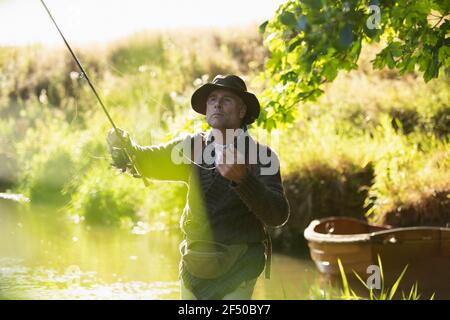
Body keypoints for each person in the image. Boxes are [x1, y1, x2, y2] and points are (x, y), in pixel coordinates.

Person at [107, 74, 290, 300]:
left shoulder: (262, 156)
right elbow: (144, 161)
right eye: (212, 98)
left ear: (242, 111)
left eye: (227, 99)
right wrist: (124, 147)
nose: (217, 103)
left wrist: (244, 180)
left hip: (240, 265)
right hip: (194, 264)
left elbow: (277, 215)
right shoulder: (191, 146)